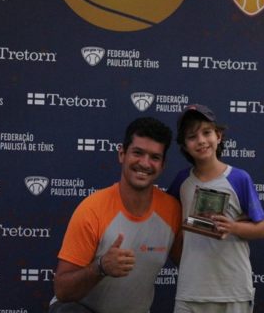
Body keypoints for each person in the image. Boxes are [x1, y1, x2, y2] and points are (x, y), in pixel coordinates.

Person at [49, 117, 182, 313]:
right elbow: (62, 290)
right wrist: (101, 267)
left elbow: (190, 265)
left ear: (162, 165)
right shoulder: (92, 209)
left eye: (154, 157)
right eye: (138, 153)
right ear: (122, 154)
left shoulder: (172, 211)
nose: (145, 163)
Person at [167, 104, 264, 313]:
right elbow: (168, 224)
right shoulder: (182, 181)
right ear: (184, 145)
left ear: (219, 136)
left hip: (233, 290)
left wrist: (232, 227)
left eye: (207, 132)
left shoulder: (239, 178)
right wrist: (185, 262)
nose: (201, 141)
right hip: (190, 291)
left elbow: (262, 229)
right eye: (192, 136)